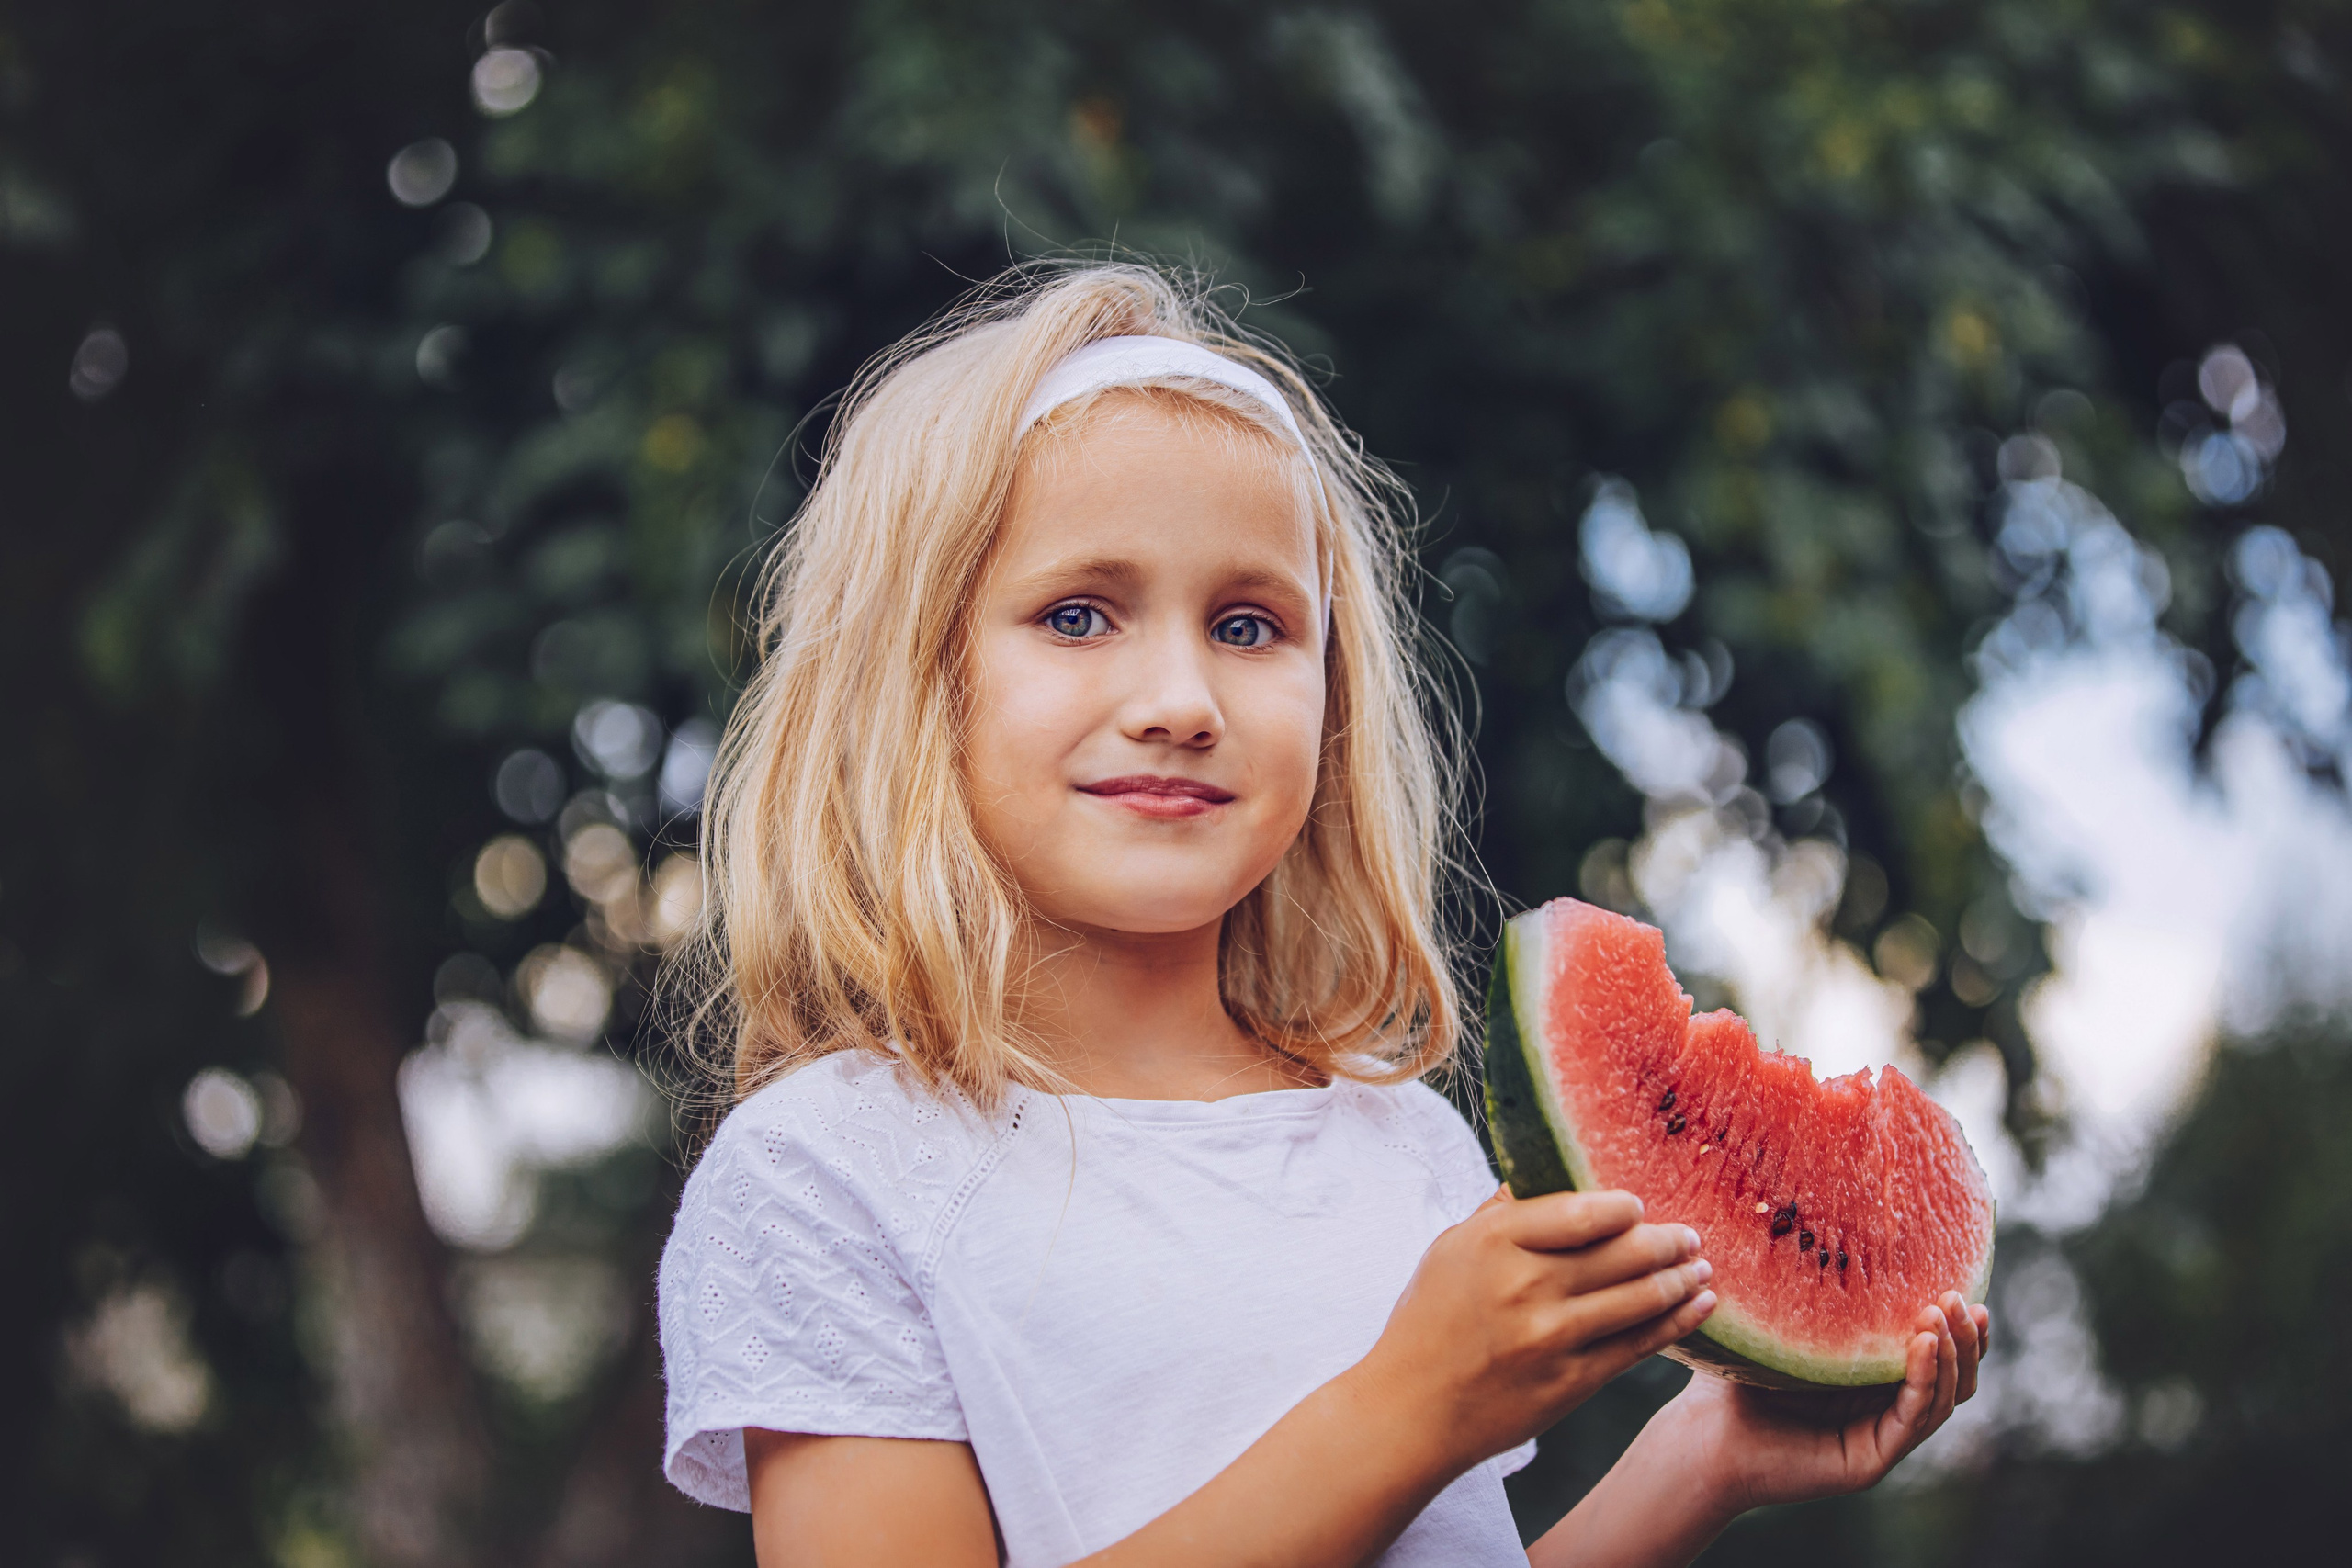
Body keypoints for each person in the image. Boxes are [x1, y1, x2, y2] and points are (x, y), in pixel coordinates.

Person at [655, 263, 1988, 1567]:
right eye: (1077, 614)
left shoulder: (1401, 1142)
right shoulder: (831, 1172)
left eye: (1248, 625)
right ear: (916, 679)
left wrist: (1703, 1466)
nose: (1180, 697)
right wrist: (1408, 1408)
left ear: (1334, 698)